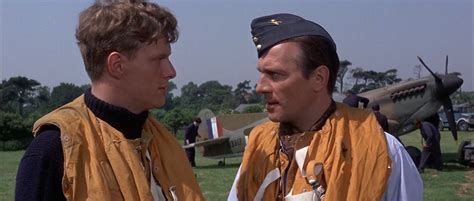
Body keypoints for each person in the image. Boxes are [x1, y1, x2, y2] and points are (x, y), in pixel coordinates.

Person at [15, 1, 204, 200]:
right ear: (117, 65)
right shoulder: (54, 151)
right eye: (158, 59)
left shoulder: (162, 141)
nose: (171, 72)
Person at [228, 13, 422, 200]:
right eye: (261, 74)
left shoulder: (381, 149)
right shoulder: (259, 148)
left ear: (319, 78)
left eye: (275, 75)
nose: (260, 87)